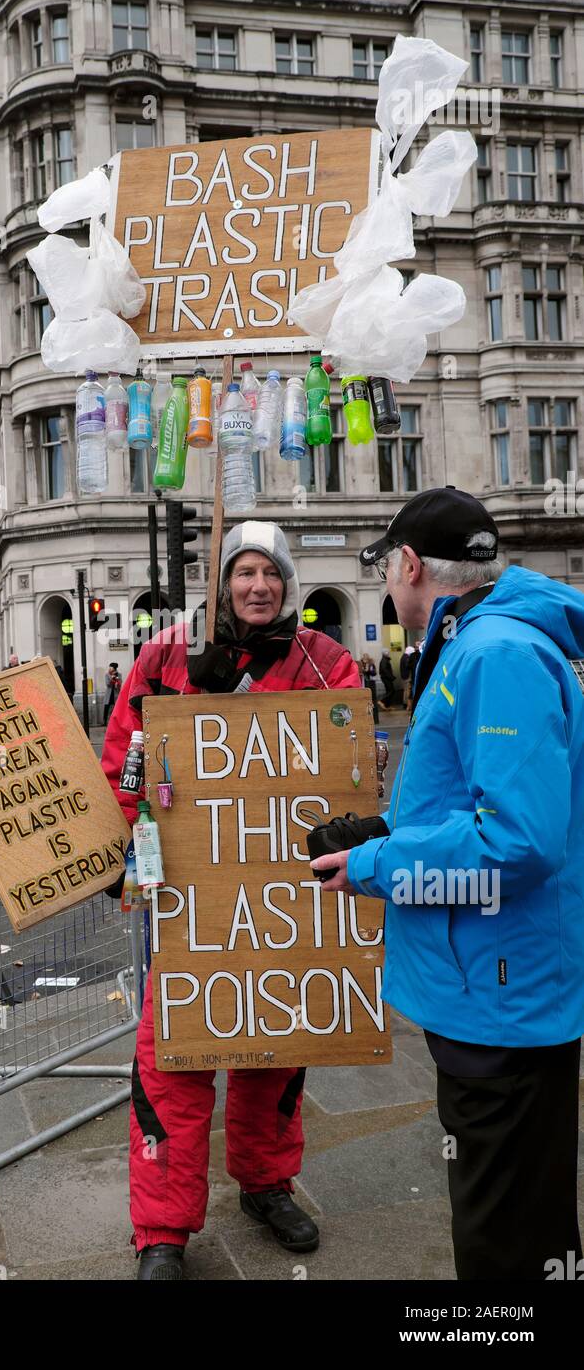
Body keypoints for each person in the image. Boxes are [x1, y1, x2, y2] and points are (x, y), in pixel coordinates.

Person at [311, 486, 584, 1282]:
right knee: (512, 1214)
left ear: (406, 564)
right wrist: (389, 834)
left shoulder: (492, 653)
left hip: (498, 992)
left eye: (386, 570)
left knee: (505, 1235)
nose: (389, 590)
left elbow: (515, 842)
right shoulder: (483, 642)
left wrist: (373, 867)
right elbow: (475, 804)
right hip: (490, 980)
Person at [102, 520, 361, 1281]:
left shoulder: (327, 662)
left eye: (271, 574)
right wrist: (132, 849)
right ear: (222, 582)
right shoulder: (164, 656)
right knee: (172, 1060)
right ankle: (161, 1231)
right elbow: (124, 766)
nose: (259, 586)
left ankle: (267, 1184)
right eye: (244, 572)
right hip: (187, 897)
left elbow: (346, 770)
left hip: (284, 903)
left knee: (276, 1049)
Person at [359, 652, 378, 723]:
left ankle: (374, 718)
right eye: (364, 657)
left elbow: (374, 672)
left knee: (372, 700)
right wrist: (364, 670)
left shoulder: (371, 664)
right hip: (363, 684)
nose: (365, 659)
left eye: (366, 657)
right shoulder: (360, 664)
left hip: (370, 683)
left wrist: (369, 670)